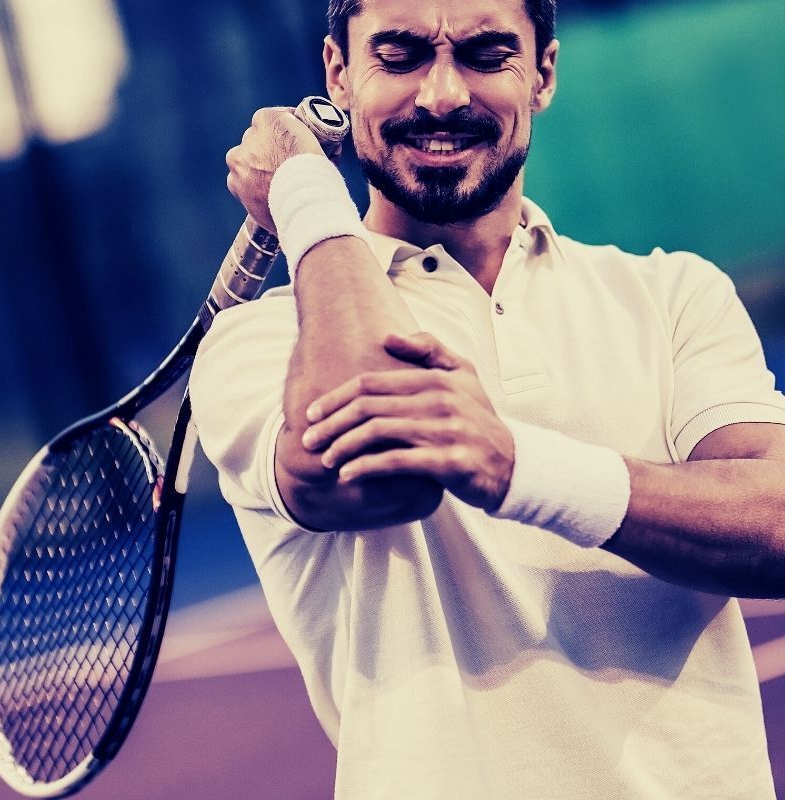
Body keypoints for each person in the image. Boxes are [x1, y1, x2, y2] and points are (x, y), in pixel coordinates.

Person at [190, 0, 785, 796]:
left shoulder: (674, 294)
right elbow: (381, 474)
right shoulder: (259, 344)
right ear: (338, 73)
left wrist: (516, 467)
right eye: (399, 55)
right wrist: (308, 199)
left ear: (543, 74)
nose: (442, 94)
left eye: (485, 53)